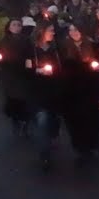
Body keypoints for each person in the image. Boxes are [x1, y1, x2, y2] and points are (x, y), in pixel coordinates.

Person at [57, 24, 99, 166]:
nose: (74, 33)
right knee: (75, 120)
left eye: (77, 29)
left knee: (91, 118)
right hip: (73, 90)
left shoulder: (92, 45)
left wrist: (98, 67)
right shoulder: (64, 47)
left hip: (91, 88)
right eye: (71, 30)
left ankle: (91, 145)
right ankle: (79, 147)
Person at [27, 23, 64, 171]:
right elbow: (26, 69)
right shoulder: (31, 50)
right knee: (42, 121)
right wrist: (38, 71)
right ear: (42, 32)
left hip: (54, 92)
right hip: (38, 92)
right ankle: (44, 155)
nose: (53, 33)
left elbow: (62, 68)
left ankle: (51, 139)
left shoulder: (55, 49)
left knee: (53, 121)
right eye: (51, 30)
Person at [0, 19, 32, 136]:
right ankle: (15, 121)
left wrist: (29, 69)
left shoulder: (26, 40)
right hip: (9, 74)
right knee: (11, 100)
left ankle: (25, 123)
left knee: (23, 99)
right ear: (9, 27)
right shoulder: (4, 41)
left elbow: (30, 56)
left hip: (22, 73)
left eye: (19, 25)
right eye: (14, 24)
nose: (17, 27)